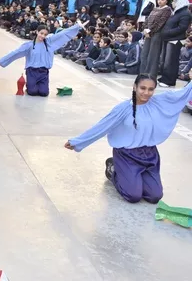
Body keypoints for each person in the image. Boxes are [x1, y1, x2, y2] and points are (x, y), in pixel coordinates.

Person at [65, 73, 192, 204]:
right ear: (134, 87)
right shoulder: (123, 108)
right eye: (142, 88)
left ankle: (134, 177)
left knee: (154, 196)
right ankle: (113, 169)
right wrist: (78, 141)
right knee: (133, 196)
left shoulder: (159, 102)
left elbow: (184, 94)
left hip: (149, 155)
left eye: (151, 89)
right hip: (126, 155)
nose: (146, 93)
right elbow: (102, 126)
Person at [0, 22, 86, 96]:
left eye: (45, 34)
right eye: (41, 33)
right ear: (37, 32)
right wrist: (0, 61)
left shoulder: (49, 42)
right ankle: (30, 85)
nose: (43, 36)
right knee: (32, 92)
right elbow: (15, 53)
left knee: (44, 93)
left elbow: (62, 34)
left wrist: (77, 26)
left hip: (43, 72)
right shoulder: (29, 45)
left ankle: (37, 85)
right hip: (32, 71)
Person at [158, 0, 192, 87]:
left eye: (174, 1)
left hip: (175, 40)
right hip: (168, 39)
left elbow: (182, 28)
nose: (173, 3)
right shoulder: (177, 12)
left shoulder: (185, 13)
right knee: (165, 60)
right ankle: (164, 78)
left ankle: (169, 81)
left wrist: (167, 32)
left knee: (171, 61)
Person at [139, 0, 172, 78]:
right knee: (144, 54)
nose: (160, 1)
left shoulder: (167, 10)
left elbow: (161, 22)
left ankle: (151, 75)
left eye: (162, 0)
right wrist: (145, 29)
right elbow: (147, 19)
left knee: (153, 55)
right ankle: (142, 74)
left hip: (157, 34)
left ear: (167, 1)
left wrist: (150, 31)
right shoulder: (155, 8)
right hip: (148, 33)